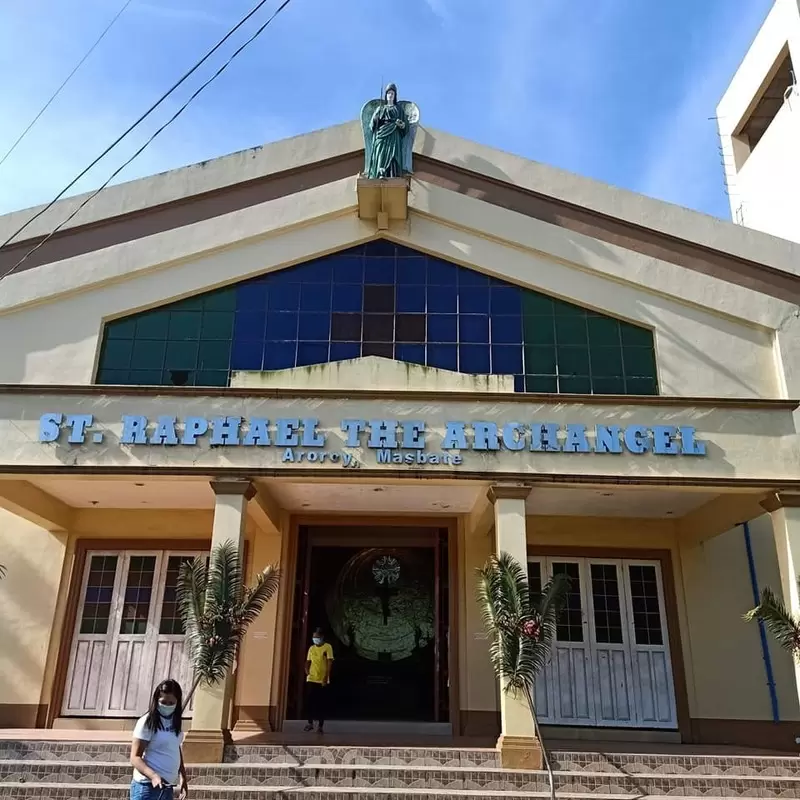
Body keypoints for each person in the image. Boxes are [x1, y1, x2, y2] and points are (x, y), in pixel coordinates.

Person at [130, 679, 188, 800]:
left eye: (171, 703)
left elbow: (175, 748)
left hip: (167, 787)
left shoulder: (175, 722)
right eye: (163, 702)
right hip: (147, 787)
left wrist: (183, 776)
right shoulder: (147, 722)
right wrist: (154, 776)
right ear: (156, 700)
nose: (167, 706)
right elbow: (135, 758)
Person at [304, 627, 333, 733]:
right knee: (310, 702)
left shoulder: (327, 647)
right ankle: (310, 723)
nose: (315, 639)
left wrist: (326, 676)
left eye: (317, 637)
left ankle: (320, 726)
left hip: (322, 679)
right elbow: (308, 660)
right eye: (314, 637)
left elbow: (330, 662)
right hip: (312, 678)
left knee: (321, 703)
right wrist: (306, 669)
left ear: (322, 637)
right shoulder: (311, 648)